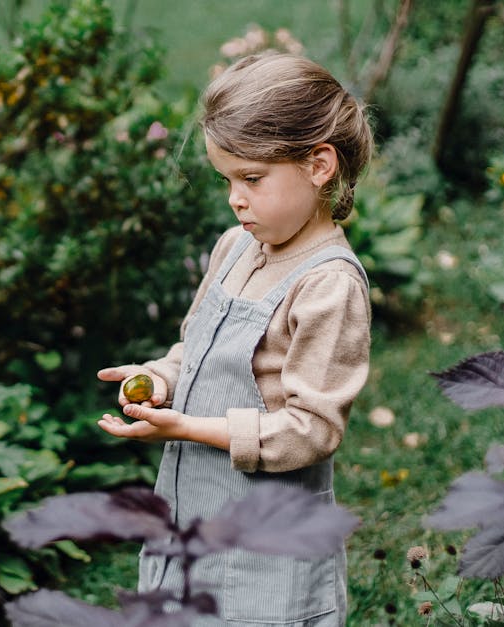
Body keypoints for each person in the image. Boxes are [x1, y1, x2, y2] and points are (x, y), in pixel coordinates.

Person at [96, 51, 373, 627]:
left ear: (320, 165)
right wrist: (162, 378)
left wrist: (188, 427)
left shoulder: (328, 285)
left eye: (251, 179)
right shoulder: (235, 247)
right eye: (227, 180)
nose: (235, 198)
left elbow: (310, 430)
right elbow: (194, 348)